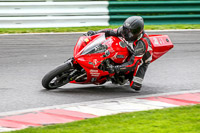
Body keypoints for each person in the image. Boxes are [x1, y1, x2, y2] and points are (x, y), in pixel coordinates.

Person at [86, 16, 152, 91]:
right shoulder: (124, 31)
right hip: (129, 49)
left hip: (141, 60)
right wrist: (95, 33)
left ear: (138, 31)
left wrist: (115, 69)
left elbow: (132, 63)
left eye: (131, 32)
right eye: (126, 30)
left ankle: (124, 76)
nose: (127, 34)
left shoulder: (142, 43)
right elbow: (109, 32)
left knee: (136, 86)